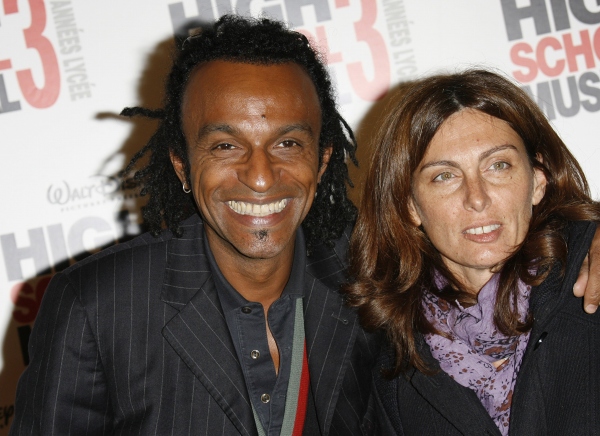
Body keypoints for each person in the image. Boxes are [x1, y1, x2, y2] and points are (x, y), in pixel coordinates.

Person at [10, 15, 378, 435]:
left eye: (288, 143)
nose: (260, 177)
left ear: (322, 160)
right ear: (182, 165)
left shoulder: (371, 275)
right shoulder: (96, 306)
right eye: (226, 146)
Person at [344, 69, 600, 435]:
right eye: (444, 176)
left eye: (498, 166)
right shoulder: (393, 371)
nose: (476, 198)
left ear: (537, 180)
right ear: (410, 206)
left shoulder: (590, 286)